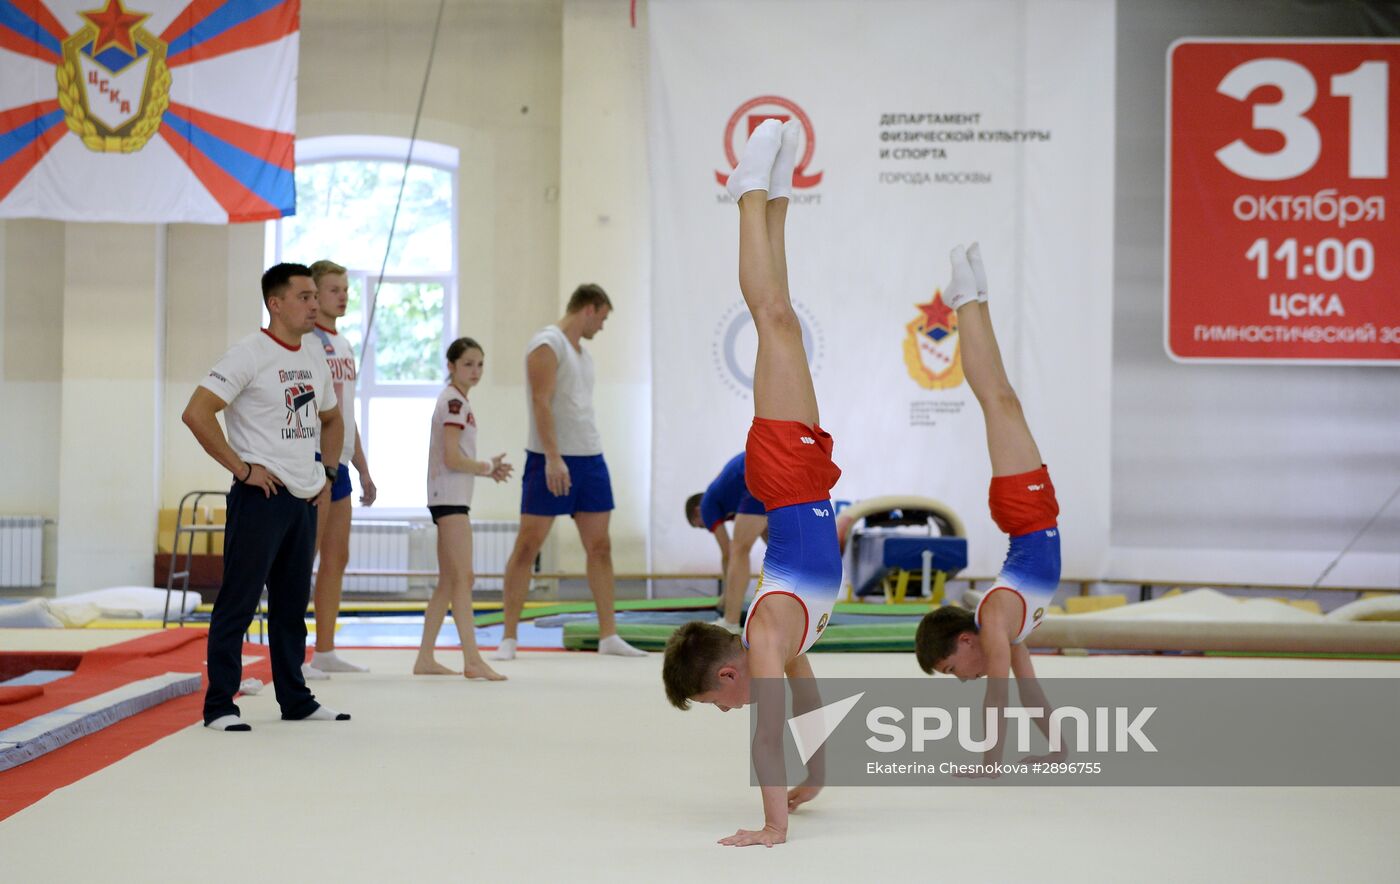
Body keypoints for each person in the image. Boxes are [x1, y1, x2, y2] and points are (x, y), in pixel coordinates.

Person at [661, 118, 843, 847]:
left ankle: (748, 196)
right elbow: (807, 706)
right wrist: (819, 779)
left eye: (714, 703)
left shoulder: (765, 633)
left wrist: (774, 826)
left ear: (729, 677)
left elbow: (767, 738)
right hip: (810, 479)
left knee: (771, 322)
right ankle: (776, 203)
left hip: (789, 478)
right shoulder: (779, 640)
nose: (726, 712)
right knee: (784, 324)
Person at [913, 242, 1064, 774]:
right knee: (1003, 397)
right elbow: (1028, 688)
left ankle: (965, 301)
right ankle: (973, 297)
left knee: (996, 400)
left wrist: (987, 762)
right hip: (1036, 513)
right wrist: (1058, 745)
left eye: (956, 668)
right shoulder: (1004, 631)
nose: (965, 678)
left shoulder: (996, 618)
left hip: (1026, 515)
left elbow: (996, 696)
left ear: (966, 640)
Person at [182, 263, 350, 732]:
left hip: (303, 496)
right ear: (276, 304)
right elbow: (197, 413)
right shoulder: (249, 354)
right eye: (304, 296)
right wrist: (242, 468)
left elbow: (332, 419)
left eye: (316, 296)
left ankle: (294, 698)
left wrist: (329, 474)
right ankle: (219, 705)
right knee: (238, 601)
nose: (314, 304)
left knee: (293, 606)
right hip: (262, 495)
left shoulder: (315, 351)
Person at [492, 284, 646, 660]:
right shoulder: (547, 344)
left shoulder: (583, 354)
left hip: (590, 457)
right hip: (551, 458)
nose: (603, 327)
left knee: (600, 547)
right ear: (589, 309)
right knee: (528, 546)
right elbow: (540, 402)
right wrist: (553, 457)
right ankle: (508, 638)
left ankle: (608, 635)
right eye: (603, 318)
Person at [417, 337, 513, 680]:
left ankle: (425, 657)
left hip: (449, 496)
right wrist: (487, 467)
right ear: (451, 366)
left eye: (480, 364)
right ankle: (472, 659)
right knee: (464, 577)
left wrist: (486, 468)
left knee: (448, 581)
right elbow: (453, 456)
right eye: (469, 364)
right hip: (449, 498)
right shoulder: (454, 403)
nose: (476, 371)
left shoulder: (456, 401)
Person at [301, 260, 376, 679]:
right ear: (314, 295)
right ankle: (292, 651)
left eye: (345, 288)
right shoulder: (307, 343)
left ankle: (325, 649)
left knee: (337, 556)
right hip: (315, 459)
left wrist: (363, 467)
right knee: (304, 557)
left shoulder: (343, 344)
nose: (343, 295)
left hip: (342, 461)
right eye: (333, 289)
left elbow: (345, 412)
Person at [685, 453, 768, 631]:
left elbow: (727, 553)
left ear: (697, 511)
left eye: (700, 526)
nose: (706, 528)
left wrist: (726, 596)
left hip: (758, 471)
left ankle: (731, 621)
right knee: (780, 550)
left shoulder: (707, 505)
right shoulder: (723, 494)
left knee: (738, 550)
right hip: (772, 468)